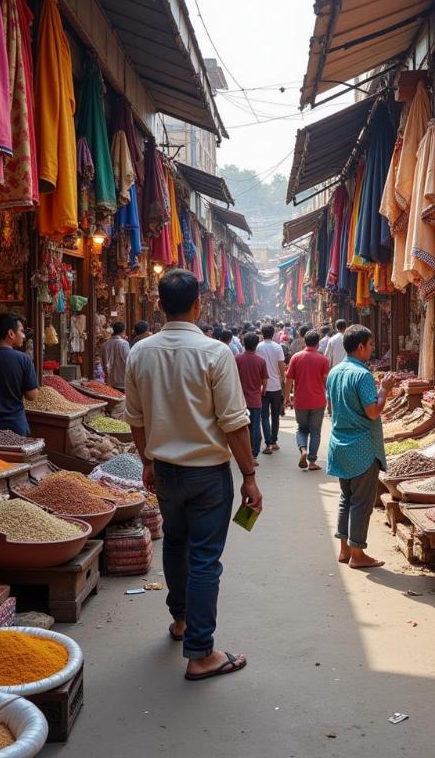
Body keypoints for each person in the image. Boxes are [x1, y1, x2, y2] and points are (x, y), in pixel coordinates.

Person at [125, 269, 262, 682]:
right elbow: (235, 423)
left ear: (159, 304)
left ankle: (182, 621)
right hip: (207, 474)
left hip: (165, 470)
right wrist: (250, 476)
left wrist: (147, 460)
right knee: (204, 558)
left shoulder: (140, 352)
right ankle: (201, 653)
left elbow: (134, 418)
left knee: (177, 544)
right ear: (198, 303)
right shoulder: (213, 353)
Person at [326, 325, 397, 569]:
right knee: (361, 503)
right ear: (360, 347)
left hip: (340, 444)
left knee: (346, 498)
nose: (372, 349)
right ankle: (358, 554)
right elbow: (373, 412)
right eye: (371, 345)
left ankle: (345, 550)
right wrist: (384, 391)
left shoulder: (334, 372)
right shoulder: (362, 374)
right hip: (362, 448)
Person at [284, 330, 329, 471]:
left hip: (300, 400)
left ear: (305, 341)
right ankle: (312, 461)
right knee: (315, 431)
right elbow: (326, 380)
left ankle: (303, 450)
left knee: (302, 429)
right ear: (317, 343)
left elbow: (289, 379)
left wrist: (286, 397)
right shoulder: (322, 359)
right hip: (318, 401)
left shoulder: (296, 357)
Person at [235, 332, 267, 464]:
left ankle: (243, 454)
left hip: (239, 400)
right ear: (256, 345)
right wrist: (263, 391)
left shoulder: (237, 359)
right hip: (255, 400)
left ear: (244, 343)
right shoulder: (260, 361)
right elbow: (264, 381)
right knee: (254, 427)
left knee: (241, 428)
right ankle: (253, 455)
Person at [256, 324, 287, 454]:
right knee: (275, 416)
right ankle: (274, 442)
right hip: (275, 386)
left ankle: (268, 444)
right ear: (273, 333)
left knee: (264, 416)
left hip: (263, 387)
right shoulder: (277, 347)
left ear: (262, 334)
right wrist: (283, 381)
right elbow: (281, 366)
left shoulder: (258, 347)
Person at [101, 321, 130, 391]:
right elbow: (128, 361)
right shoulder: (124, 344)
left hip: (110, 380)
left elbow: (103, 363)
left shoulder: (104, 345)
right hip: (123, 380)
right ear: (123, 330)